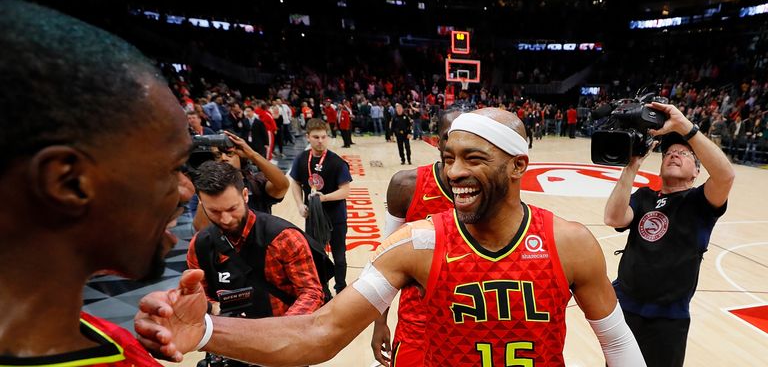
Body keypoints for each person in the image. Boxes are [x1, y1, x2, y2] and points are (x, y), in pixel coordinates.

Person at [135, 108, 645, 367]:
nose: (455, 173)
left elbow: (618, 344)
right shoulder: (416, 244)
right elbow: (321, 332)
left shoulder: (569, 243)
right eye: (448, 158)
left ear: (517, 167)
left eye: (474, 158)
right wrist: (205, 332)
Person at [0, 0, 193, 365]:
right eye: (174, 167)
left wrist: (212, 330)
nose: (186, 190)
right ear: (69, 182)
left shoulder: (92, 332)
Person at [604, 101, 735, 367]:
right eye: (669, 153)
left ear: (697, 171)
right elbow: (613, 217)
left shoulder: (700, 201)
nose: (674, 154)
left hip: (667, 319)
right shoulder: (644, 196)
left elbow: (725, 175)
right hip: (625, 307)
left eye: (684, 154)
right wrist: (631, 167)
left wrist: (685, 127)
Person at [187, 162, 323, 342]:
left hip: (283, 339)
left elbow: (311, 292)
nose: (225, 219)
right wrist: (213, 308)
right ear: (201, 203)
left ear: (245, 195)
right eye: (214, 211)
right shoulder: (200, 246)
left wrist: (277, 334)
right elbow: (201, 295)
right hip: (229, 341)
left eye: (232, 208)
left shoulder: (284, 238)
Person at [370, 108, 460, 366]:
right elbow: (383, 260)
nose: (456, 145)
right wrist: (379, 321)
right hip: (416, 323)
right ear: (437, 140)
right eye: (449, 137)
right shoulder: (406, 185)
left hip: (468, 322)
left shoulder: (491, 192)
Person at [289, 118, 352, 295]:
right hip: (314, 217)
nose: (320, 141)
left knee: (339, 256)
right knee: (316, 256)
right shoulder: (301, 159)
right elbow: (295, 181)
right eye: (316, 137)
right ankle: (322, 290)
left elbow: (345, 191)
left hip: (336, 218)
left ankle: (341, 288)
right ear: (308, 137)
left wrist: (324, 198)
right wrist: (300, 204)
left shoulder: (337, 162)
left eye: (324, 137)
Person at [192, 130, 290, 231]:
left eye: (229, 153)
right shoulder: (203, 190)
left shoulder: (256, 183)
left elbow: (283, 185)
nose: (223, 158)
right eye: (217, 155)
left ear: (241, 156)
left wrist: (252, 154)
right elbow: (200, 228)